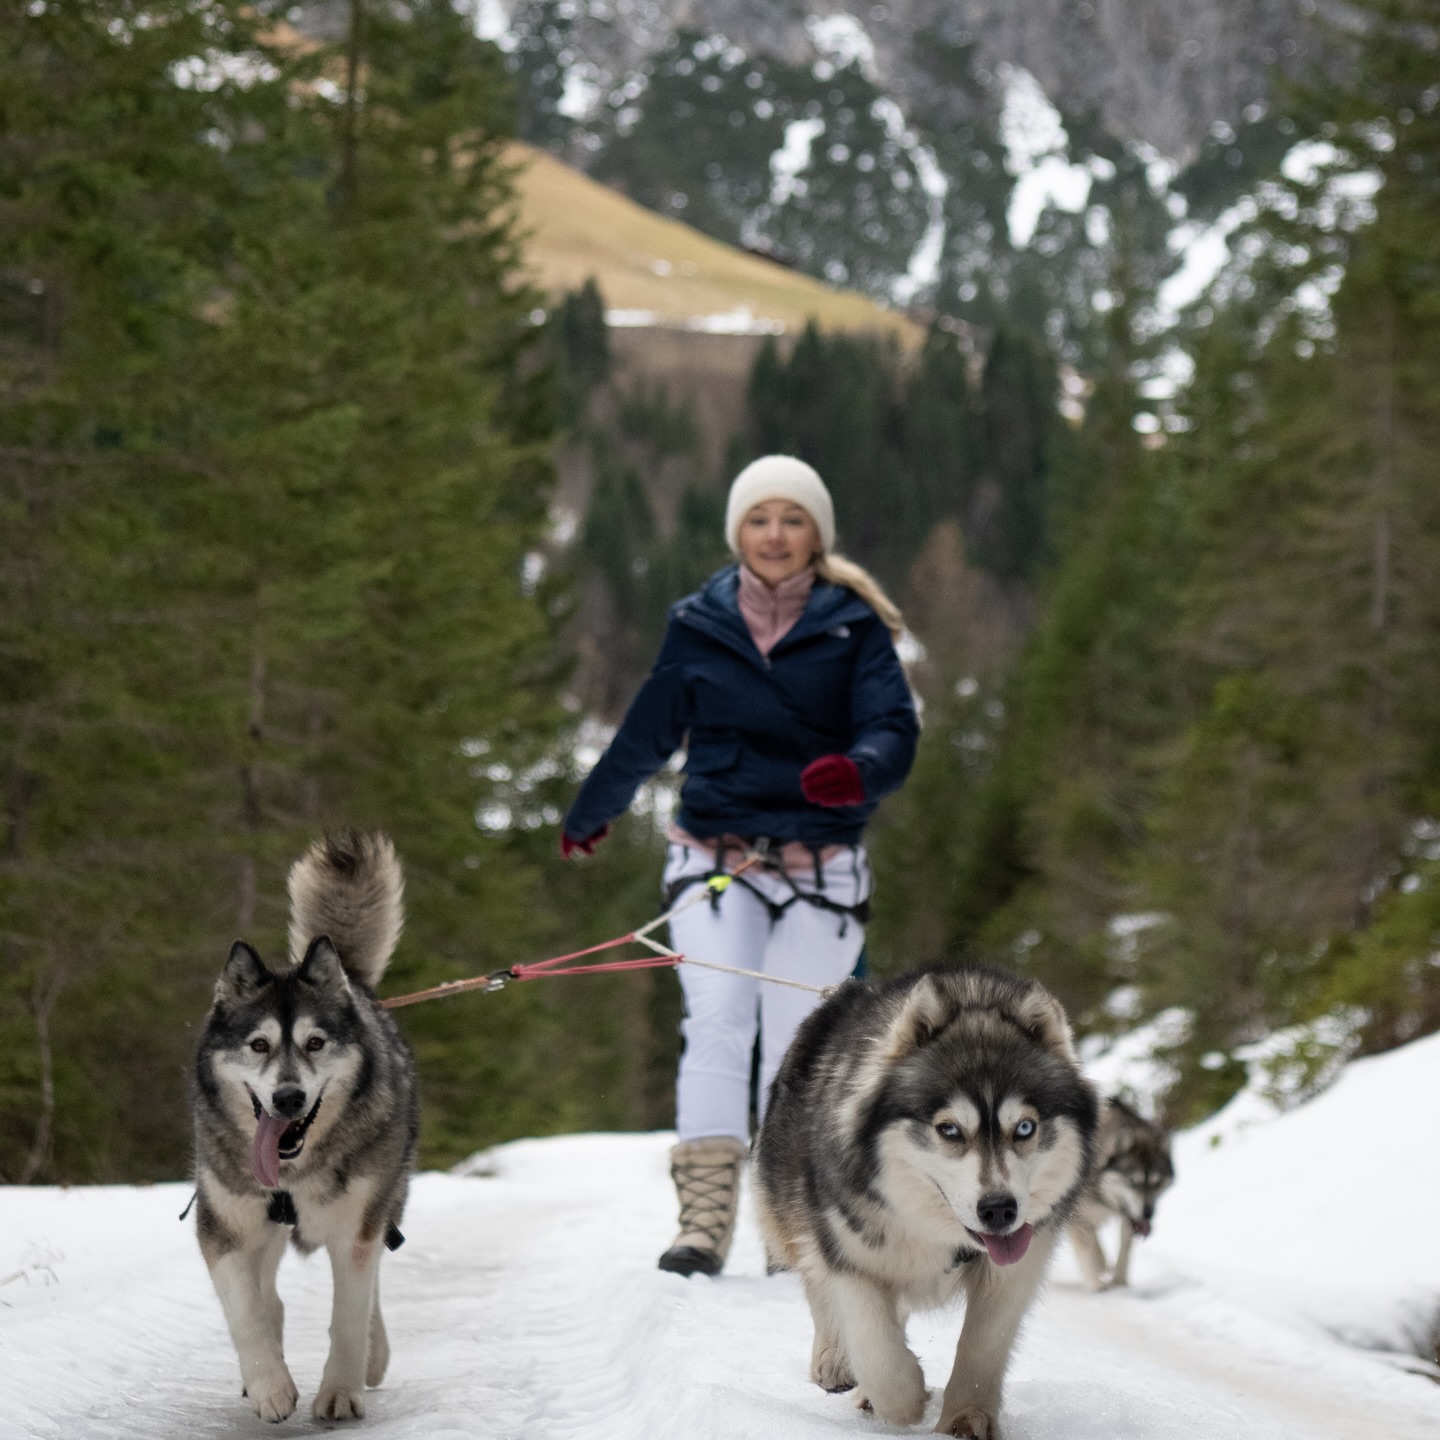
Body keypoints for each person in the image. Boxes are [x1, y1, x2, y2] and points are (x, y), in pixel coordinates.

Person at [560, 455, 919, 1277]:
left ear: (816, 534)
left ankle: (789, 1219)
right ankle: (704, 1220)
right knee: (719, 1019)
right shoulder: (699, 624)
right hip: (715, 859)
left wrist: (858, 768)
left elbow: (894, 730)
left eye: (793, 519)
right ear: (738, 532)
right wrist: (594, 810)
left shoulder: (852, 627)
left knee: (799, 1046)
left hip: (819, 869)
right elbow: (648, 731)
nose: (775, 535)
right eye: (760, 519)